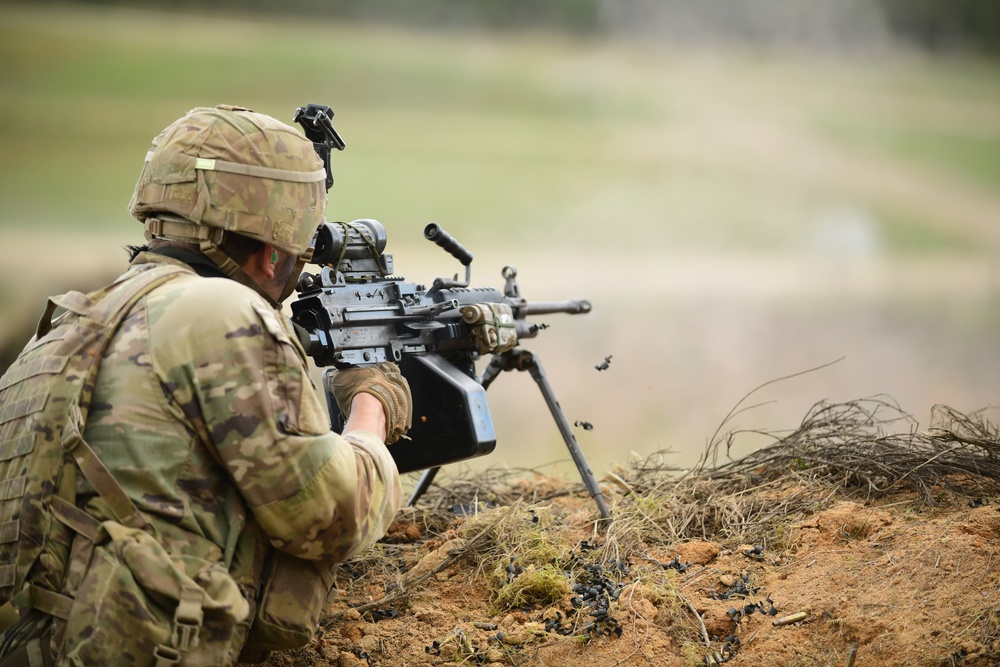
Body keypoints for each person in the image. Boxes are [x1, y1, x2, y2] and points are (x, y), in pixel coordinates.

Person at [0, 105, 411, 666]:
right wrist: (372, 402)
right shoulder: (220, 309)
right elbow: (334, 517)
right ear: (271, 255)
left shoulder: (65, 326)